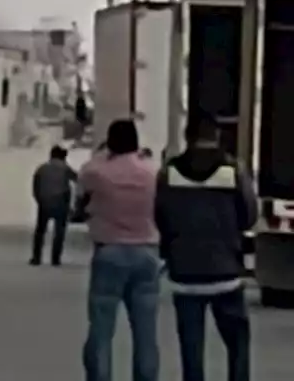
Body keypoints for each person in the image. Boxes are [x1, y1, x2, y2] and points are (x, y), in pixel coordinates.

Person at [155, 114, 257, 381]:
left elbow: (160, 216)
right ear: (218, 137)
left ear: (188, 138)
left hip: (184, 275)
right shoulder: (233, 170)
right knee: (237, 342)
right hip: (226, 274)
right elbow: (249, 215)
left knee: (191, 348)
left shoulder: (170, 172)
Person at [77, 119, 162, 381]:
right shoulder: (153, 172)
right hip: (146, 253)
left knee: (101, 331)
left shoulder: (95, 171)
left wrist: (104, 154)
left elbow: (79, 201)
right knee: (146, 334)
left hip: (109, 252)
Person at [31, 145, 79, 266]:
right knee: (59, 232)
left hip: (44, 202)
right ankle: (55, 258)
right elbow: (78, 180)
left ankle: (37, 258)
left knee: (40, 231)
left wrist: (39, 200)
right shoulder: (65, 168)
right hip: (60, 202)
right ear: (63, 157)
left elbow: (35, 187)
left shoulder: (41, 168)